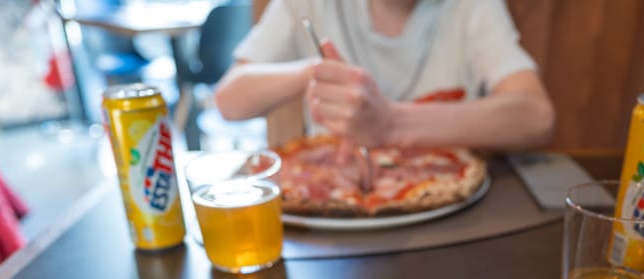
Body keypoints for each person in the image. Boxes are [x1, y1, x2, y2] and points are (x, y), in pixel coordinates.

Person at [214, 0, 555, 152]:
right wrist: (318, 72)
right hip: (333, 198)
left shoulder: (471, 6)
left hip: (446, 210)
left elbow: (537, 117)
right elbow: (229, 100)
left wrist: (388, 124)